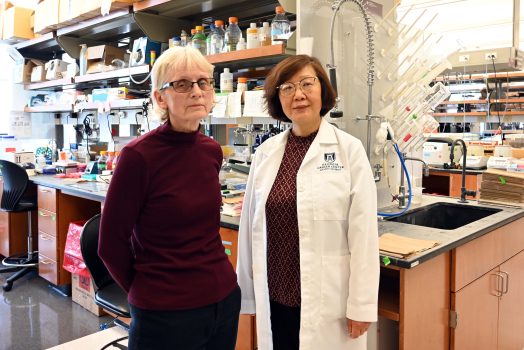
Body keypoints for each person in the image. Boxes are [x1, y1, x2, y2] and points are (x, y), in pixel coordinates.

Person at [99, 46, 240, 350]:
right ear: (160, 98)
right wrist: (147, 290)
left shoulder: (211, 150)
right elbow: (110, 244)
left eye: (204, 82)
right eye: (182, 84)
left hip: (223, 299)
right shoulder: (138, 157)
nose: (197, 92)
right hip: (165, 313)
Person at [237, 55, 379, 350]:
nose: (298, 94)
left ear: (322, 91)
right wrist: (247, 294)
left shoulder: (350, 151)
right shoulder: (265, 154)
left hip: (330, 301)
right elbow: (249, 228)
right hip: (275, 296)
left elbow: (364, 235)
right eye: (287, 88)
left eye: (306, 84)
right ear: (278, 99)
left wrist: (362, 305)